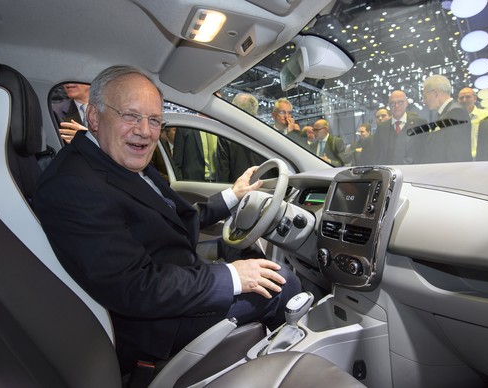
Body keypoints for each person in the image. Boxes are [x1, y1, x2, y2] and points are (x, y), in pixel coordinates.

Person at [32, 65, 301, 377]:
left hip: (176, 279)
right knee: (283, 283)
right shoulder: (74, 184)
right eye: (130, 116)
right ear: (93, 117)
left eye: (154, 120)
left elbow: (171, 219)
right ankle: (286, 373)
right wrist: (231, 278)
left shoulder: (114, 160)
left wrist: (232, 196)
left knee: (243, 252)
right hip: (157, 324)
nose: (145, 131)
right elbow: (135, 287)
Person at [363, 90, 427, 165]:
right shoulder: (382, 128)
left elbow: (425, 151)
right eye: (393, 103)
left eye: (400, 102)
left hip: (414, 172)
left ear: (406, 103)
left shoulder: (419, 123)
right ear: (389, 106)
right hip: (390, 173)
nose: (396, 106)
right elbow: (377, 154)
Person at [216, 93, 268, 182]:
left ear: (234, 109)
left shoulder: (226, 134)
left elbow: (223, 172)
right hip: (265, 189)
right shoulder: (267, 133)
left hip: (239, 189)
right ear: (255, 109)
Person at [419, 75, 471, 163]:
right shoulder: (447, 112)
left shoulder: (455, 113)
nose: (424, 101)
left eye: (424, 96)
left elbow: (456, 154)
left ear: (435, 93)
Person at [458, 87, 488, 160]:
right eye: (461, 98)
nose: (464, 100)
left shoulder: (486, 116)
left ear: (475, 98)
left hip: (481, 158)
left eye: (468, 97)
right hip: (461, 159)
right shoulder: (455, 119)